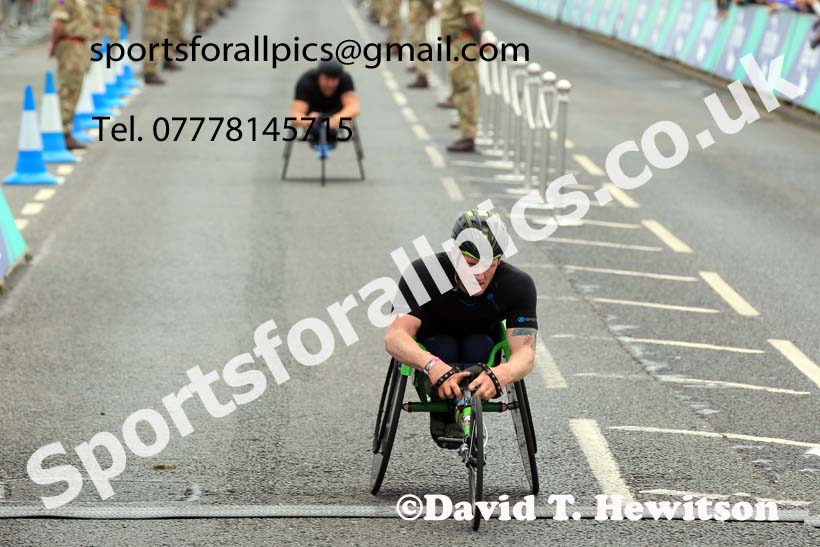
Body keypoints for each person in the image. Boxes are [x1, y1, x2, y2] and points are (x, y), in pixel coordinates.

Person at [385, 210, 538, 447]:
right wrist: (432, 365)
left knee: (478, 344)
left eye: (490, 265)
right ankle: (445, 412)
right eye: (470, 264)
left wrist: (502, 373)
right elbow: (395, 336)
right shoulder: (423, 273)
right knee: (443, 344)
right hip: (434, 354)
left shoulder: (517, 284)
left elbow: (525, 353)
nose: (479, 274)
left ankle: (465, 412)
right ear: (454, 254)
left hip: (482, 357)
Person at [49, 0, 94, 150]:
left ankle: (66, 130)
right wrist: (53, 44)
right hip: (70, 46)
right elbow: (58, 24)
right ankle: (63, 132)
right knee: (68, 89)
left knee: (75, 88)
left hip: (79, 45)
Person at [439, 0, 484, 152]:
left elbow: (472, 16)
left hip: (464, 42)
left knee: (466, 88)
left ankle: (468, 136)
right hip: (458, 43)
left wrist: (480, 40)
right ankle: (465, 128)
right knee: (460, 88)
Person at [290, 60, 360, 145]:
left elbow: (353, 107)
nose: (330, 85)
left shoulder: (345, 79)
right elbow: (296, 115)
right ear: (319, 76)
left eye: (334, 80)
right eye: (327, 79)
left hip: (336, 113)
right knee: (315, 131)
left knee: (331, 131)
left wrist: (337, 119)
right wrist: (307, 120)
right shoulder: (306, 81)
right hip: (312, 113)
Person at [407, 0, 435, 88]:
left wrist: (431, 8)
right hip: (416, 12)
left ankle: (422, 75)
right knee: (417, 43)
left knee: (419, 44)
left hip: (419, 14)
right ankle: (421, 73)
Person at [143, 0, 170, 85]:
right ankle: (149, 71)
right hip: (155, 6)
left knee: (160, 39)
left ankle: (152, 69)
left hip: (161, 6)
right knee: (154, 40)